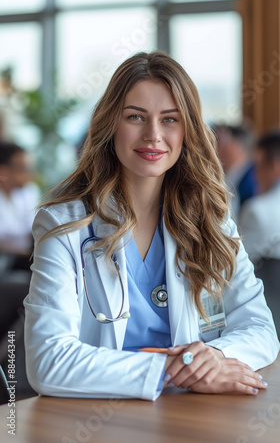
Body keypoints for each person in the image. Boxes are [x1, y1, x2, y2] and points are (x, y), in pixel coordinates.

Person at [24, 52, 279, 401]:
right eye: (135, 117)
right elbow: (48, 361)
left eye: (170, 119)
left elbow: (261, 329)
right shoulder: (64, 226)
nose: (153, 135)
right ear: (111, 123)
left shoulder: (211, 220)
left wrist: (215, 356)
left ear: (187, 129)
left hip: (192, 418)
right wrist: (173, 370)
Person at [239, 130, 280, 264]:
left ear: (274, 166)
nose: (254, 175)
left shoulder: (257, 210)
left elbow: (238, 266)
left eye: (258, 166)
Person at [0, 142, 39, 258]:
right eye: (23, 169)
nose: (29, 175)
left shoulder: (28, 191)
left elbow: (34, 228)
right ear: (3, 171)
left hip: (22, 259)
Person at [213, 125, 257, 220]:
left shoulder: (254, 179)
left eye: (218, 142)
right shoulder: (226, 175)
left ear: (234, 145)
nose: (213, 148)